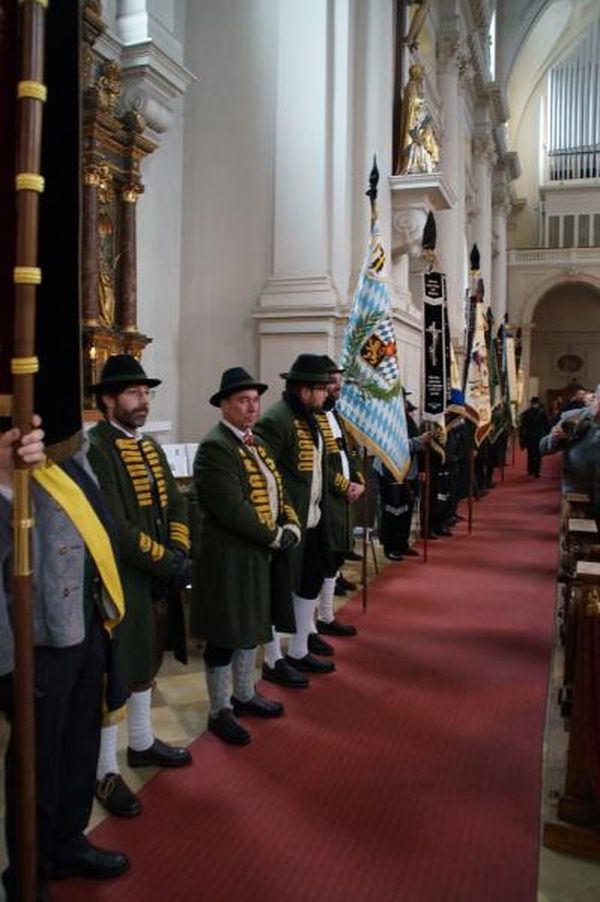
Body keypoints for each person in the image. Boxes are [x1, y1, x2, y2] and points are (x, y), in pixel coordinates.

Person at [0, 419, 130, 900]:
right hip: (36, 641)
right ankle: (27, 875)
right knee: (37, 762)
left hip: (85, 621)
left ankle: (67, 844)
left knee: (79, 746)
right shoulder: (10, 458)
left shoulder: (70, 454)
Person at [88, 355, 192, 819]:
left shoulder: (148, 447)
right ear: (108, 400)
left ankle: (143, 742)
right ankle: (103, 771)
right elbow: (114, 524)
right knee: (116, 671)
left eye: (146, 392)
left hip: (154, 572)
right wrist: (162, 558)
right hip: (120, 575)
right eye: (133, 393)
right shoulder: (97, 448)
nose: (143, 400)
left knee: (147, 658)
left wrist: (179, 546)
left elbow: (174, 502)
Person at [190, 367, 301, 745]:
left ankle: (245, 693)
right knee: (225, 633)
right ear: (224, 405)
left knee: (252, 626)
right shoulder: (215, 446)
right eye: (242, 400)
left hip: (258, 554)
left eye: (255, 400)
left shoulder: (257, 443)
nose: (251, 407)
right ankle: (220, 709)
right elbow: (231, 509)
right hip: (229, 558)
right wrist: (274, 536)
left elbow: (278, 489)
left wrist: (292, 524)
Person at [255, 354, 336, 684]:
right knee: (280, 589)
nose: (326, 394)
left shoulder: (310, 418)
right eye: (321, 389)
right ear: (304, 391)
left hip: (312, 518)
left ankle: (299, 650)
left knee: (309, 582)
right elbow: (264, 474)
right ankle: (273, 661)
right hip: (288, 523)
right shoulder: (277, 420)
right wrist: (281, 520)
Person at [314, 356, 363, 636]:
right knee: (325, 558)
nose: (338, 387)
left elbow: (348, 453)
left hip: (345, 497)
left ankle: (328, 614)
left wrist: (358, 481)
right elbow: (321, 464)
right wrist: (344, 486)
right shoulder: (314, 418)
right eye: (332, 382)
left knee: (336, 559)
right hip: (329, 499)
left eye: (339, 381)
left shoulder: (336, 416)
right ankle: (319, 619)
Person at [375, 392, 431, 559]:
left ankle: (402, 543)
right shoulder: (386, 419)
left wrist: (420, 467)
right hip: (390, 471)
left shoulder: (407, 419)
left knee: (406, 510)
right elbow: (394, 445)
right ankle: (390, 546)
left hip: (408, 472)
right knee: (393, 510)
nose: (405, 402)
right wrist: (419, 441)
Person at [540, 385, 600, 513]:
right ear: (594, 398)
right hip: (578, 495)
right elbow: (543, 447)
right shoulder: (573, 418)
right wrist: (555, 438)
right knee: (578, 531)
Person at [519, 397, 549, 478]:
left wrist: (521, 438)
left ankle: (530, 470)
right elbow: (547, 425)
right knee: (538, 454)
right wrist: (547, 435)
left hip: (529, 436)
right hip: (539, 436)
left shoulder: (526, 413)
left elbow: (522, 427)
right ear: (538, 403)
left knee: (530, 454)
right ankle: (537, 472)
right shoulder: (542, 413)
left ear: (531, 403)